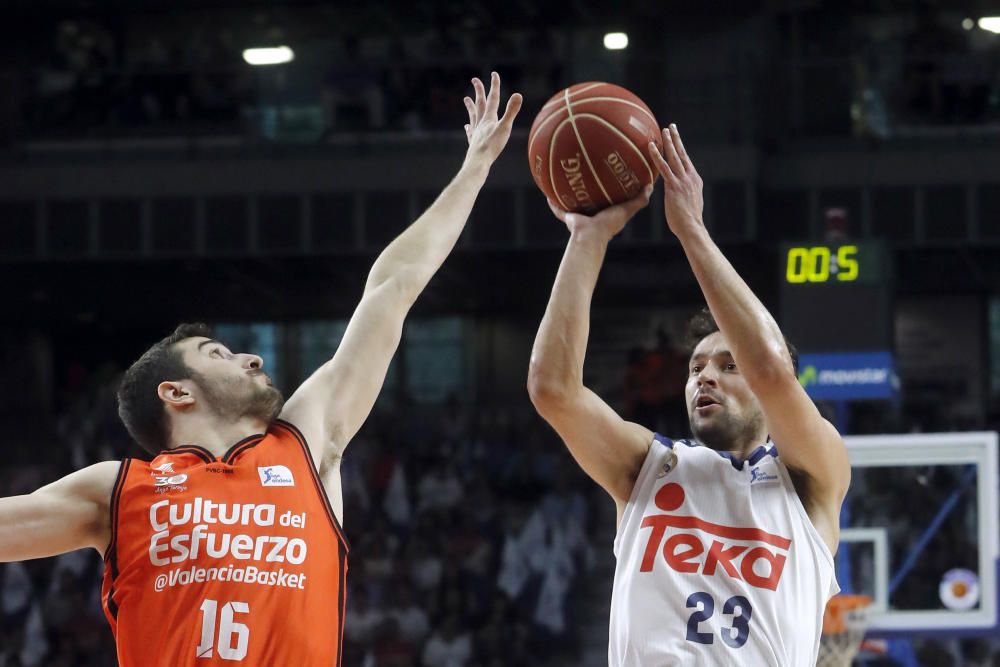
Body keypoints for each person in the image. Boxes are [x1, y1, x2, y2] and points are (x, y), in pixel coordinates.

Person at [0, 72, 522, 667]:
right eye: (218, 355)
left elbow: (392, 287)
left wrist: (475, 169)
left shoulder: (305, 440)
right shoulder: (118, 491)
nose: (252, 357)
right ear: (175, 392)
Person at [527, 124, 850, 665]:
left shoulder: (814, 477)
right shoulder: (648, 467)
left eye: (728, 366)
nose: (705, 376)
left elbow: (770, 368)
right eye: (696, 367)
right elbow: (552, 388)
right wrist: (587, 237)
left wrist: (691, 231)